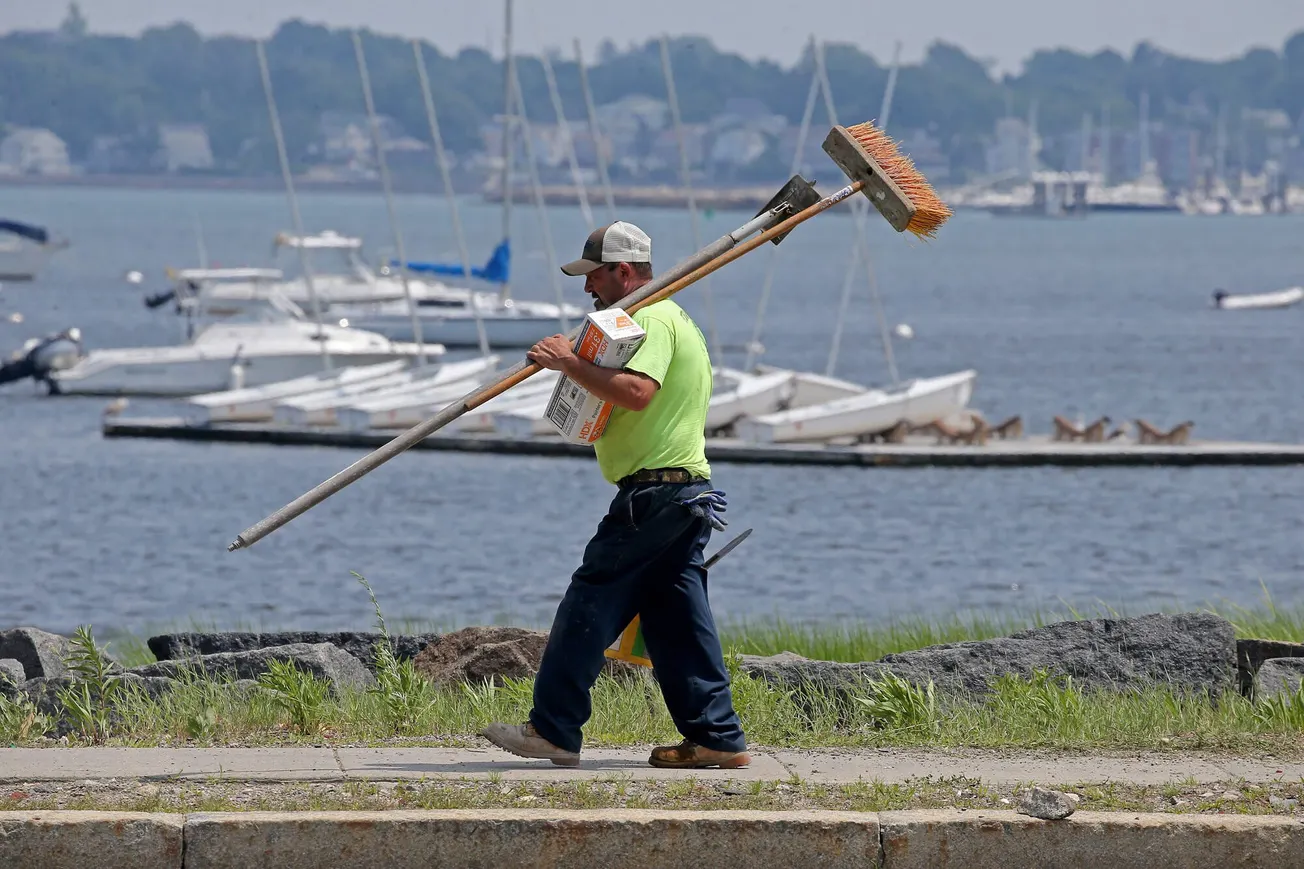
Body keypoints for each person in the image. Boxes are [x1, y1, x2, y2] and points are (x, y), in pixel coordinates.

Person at [480, 221, 749, 770]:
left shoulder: (648, 317)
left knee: (591, 599)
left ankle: (552, 729)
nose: (588, 289)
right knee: (677, 620)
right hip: (686, 495)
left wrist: (568, 363)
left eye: (595, 276)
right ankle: (716, 737)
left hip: (654, 496)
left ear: (625, 271)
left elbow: (636, 392)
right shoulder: (677, 320)